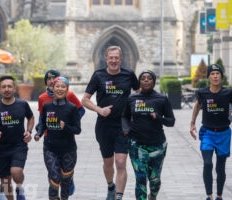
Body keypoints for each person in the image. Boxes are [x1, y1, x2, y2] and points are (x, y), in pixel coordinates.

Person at [81, 45, 140, 200]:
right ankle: (110, 186)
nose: (113, 60)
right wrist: (99, 109)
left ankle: (118, 196)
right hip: (104, 125)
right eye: (111, 57)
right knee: (108, 163)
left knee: (120, 162)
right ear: (106, 59)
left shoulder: (129, 75)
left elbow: (140, 93)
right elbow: (85, 100)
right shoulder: (98, 75)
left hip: (124, 124)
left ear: (121, 59)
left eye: (116, 58)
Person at [189, 64, 232, 200]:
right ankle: (209, 195)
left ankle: (219, 195)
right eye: (212, 74)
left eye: (217, 74)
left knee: (220, 167)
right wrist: (192, 123)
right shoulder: (203, 93)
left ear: (221, 76)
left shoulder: (228, 93)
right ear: (208, 76)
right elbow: (197, 106)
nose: (215, 76)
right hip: (207, 132)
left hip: (224, 134)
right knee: (208, 163)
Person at [122, 70, 175, 200]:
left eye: (149, 78)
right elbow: (124, 116)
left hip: (157, 145)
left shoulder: (161, 99)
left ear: (153, 81)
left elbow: (171, 121)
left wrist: (158, 117)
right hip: (136, 144)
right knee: (140, 178)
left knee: (154, 179)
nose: (146, 80)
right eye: (143, 78)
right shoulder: (132, 98)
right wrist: (126, 129)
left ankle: (153, 196)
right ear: (139, 82)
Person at [36, 69, 85, 196]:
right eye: (57, 86)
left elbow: (77, 129)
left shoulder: (72, 107)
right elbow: (42, 120)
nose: (59, 89)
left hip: (68, 147)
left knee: (65, 181)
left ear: (67, 89)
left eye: (63, 87)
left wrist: (67, 125)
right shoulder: (46, 104)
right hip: (50, 146)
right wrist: (39, 133)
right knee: (54, 178)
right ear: (51, 86)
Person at [0, 75, 34, 200]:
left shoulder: (22, 104)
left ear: (14, 88)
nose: (6, 89)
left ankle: (19, 187)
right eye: (4, 87)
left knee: (16, 171)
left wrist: (29, 131)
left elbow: (31, 117)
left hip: (19, 145)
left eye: (9, 86)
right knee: (5, 182)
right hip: (2, 148)